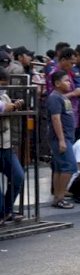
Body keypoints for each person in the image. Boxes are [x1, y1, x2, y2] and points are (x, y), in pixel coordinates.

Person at [48, 71, 77, 209]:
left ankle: (57, 197)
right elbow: (55, 118)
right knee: (70, 166)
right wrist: (61, 140)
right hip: (62, 138)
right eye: (66, 80)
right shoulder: (54, 98)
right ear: (57, 83)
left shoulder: (62, 97)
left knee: (60, 168)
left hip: (67, 137)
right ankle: (60, 197)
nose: (69, 83)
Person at [0, 68, 26, 223]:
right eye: (2, 84)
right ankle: (1, 212)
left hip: (6, 145)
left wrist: (14, 105)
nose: (4, 87)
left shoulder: (4, 94)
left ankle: (7, 211)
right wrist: (14, 105)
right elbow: (4, 108)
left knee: (18, 176)